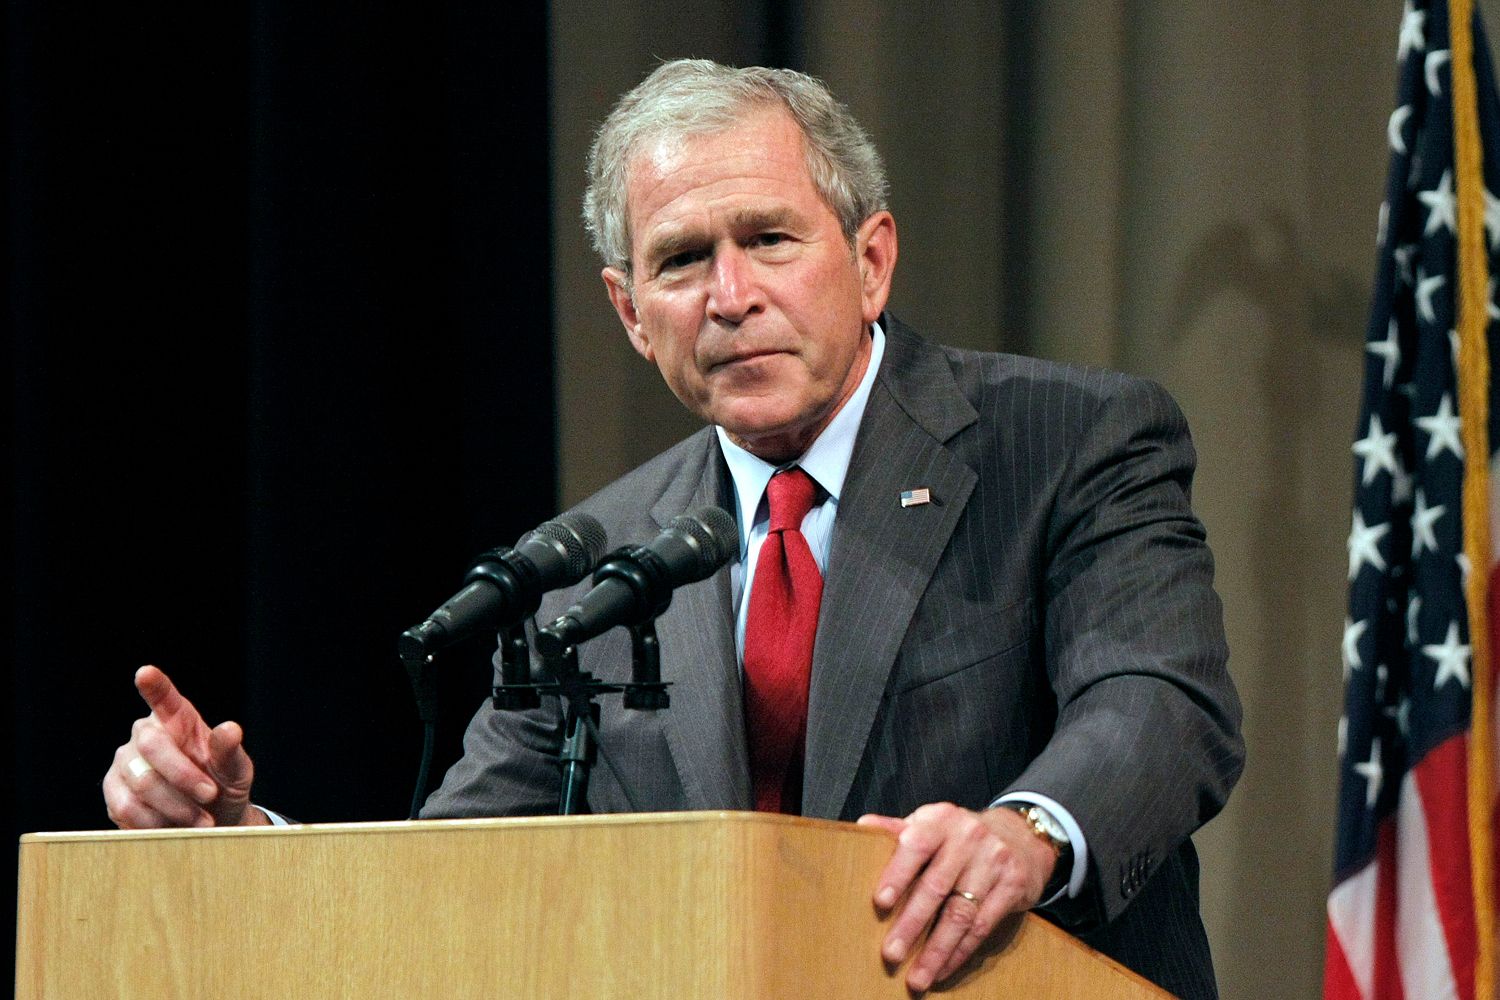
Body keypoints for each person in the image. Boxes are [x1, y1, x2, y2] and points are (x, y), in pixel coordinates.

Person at [104, 59, 1244, 998]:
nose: (730, 294)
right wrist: (237, 831)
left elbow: (1157, 701)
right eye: (684, 259)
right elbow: (453, 876)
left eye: (771, 240)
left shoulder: (1070, 442)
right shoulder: (593, 564)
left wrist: (1026, 829)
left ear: (873, 258)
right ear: (630, 311)